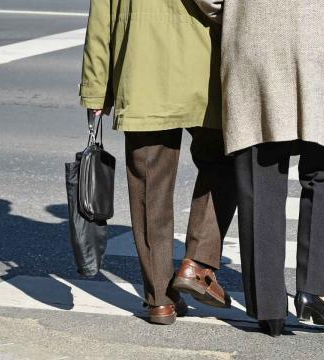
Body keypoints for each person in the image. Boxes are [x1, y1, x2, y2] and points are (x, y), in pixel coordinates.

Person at [193, 0, 324, 336]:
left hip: (256, 44)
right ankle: (311, 290)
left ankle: (269, 307)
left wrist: (236, 13)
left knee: (260, 177)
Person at [80, 0, 236, 326]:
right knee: (224, 163)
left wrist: (96, 91)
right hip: (203, 69)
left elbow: (100, 21)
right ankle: (197, 263)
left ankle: (159, 301)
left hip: (140, 73)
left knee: (150, 186)